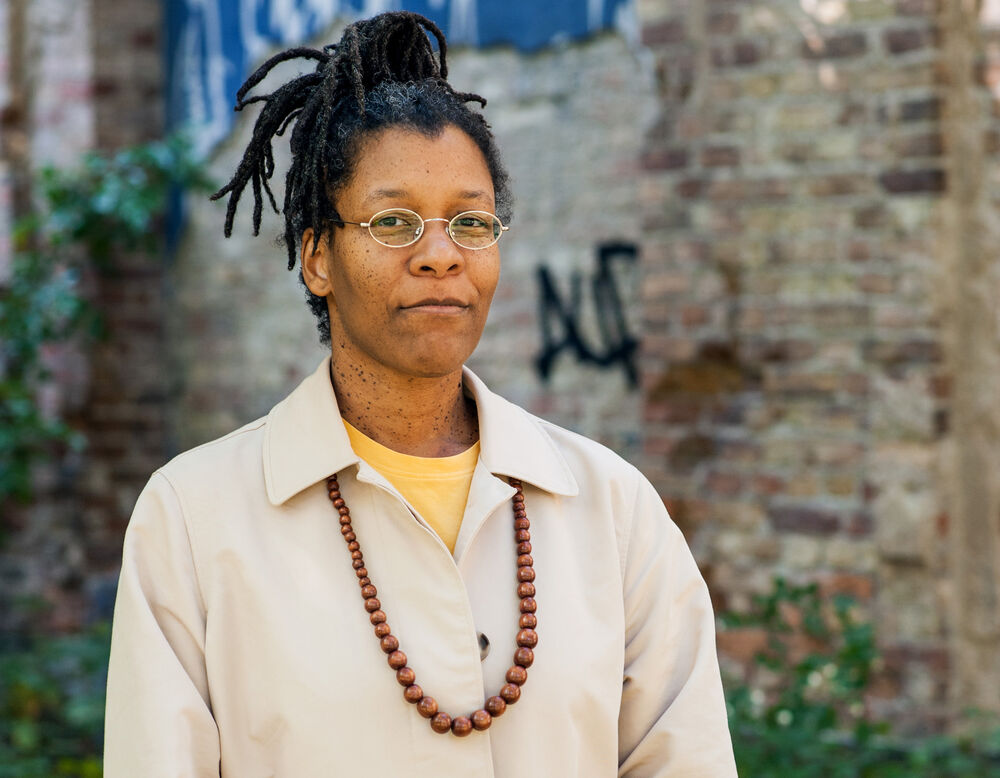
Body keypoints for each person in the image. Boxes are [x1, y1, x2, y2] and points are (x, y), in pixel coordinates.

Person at [103, 11, 737, 777]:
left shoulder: (613, 510)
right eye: (394, 221)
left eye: (470, 222)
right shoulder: (194, 519)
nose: (441, 255)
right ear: (317, 258)